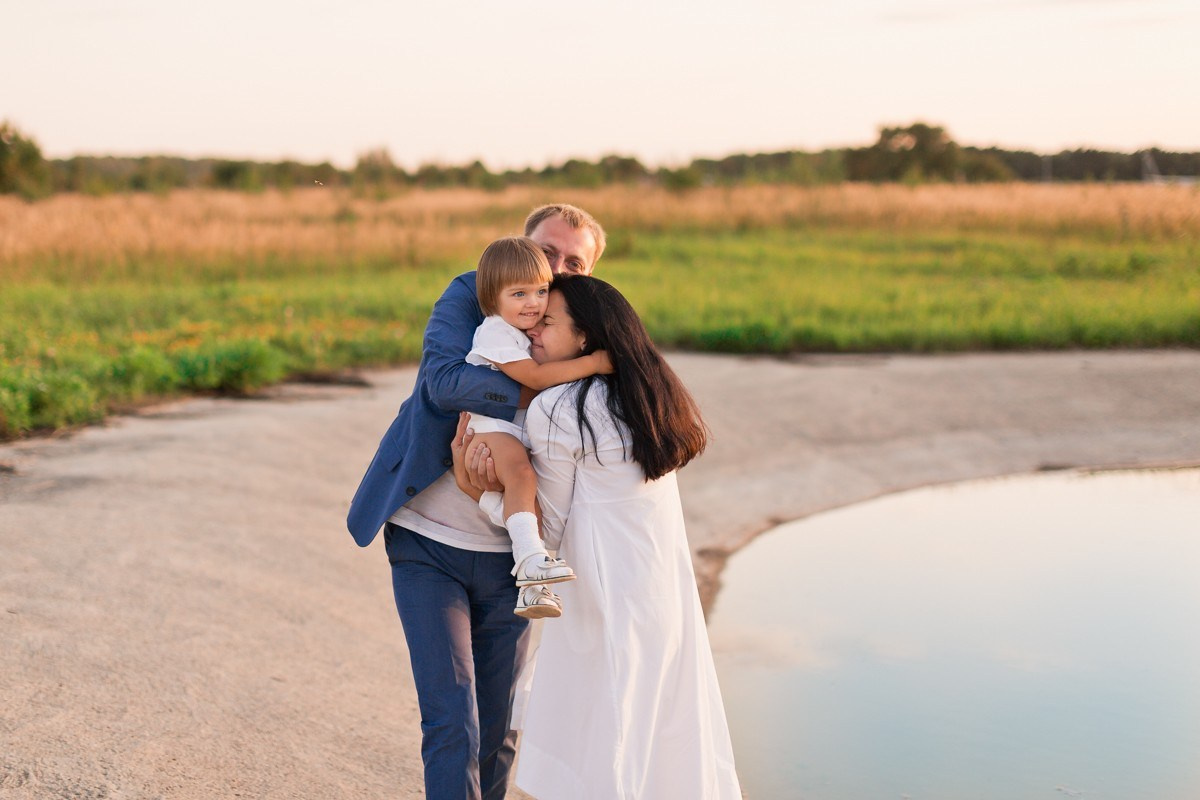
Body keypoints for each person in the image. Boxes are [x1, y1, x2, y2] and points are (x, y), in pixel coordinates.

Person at [345, 204, 606, 800]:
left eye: (574, 263)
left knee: (498, 726)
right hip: (426, 540)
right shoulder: (474, 298)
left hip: (509, 557)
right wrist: (539, 387)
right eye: (545, 252)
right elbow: (443, 383)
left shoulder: (585, 326)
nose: (555, 269)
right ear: (518, 246)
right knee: (451, 716)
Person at [452, 275, 742, 799]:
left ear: (584, 338)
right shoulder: (651, 399)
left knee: (599, 752)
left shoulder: (560, 409)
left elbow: (552, 532)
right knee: (660, 745)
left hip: (602, 600)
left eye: (546, 322)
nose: (532, 333)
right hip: (662, 599)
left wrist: (481, 493)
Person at [463, 235, 615, 619]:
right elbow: (536, 378)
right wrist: (594, 363)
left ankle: (535, 590)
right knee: (521, 475)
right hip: (492, 426)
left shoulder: (518, 327)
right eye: (519, 294)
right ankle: (531, 558)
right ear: (493, 299)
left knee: (528, 493)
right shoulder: (496, 330)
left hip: (511, 427)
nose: (533, 304)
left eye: (541, 292)